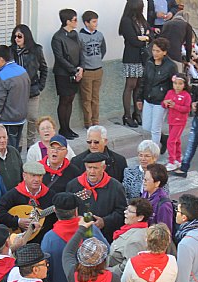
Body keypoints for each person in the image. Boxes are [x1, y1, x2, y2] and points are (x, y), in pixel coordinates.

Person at [66, 153, 128, 243]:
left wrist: (104, 222)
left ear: (103, 168)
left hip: (105, 237)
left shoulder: (116, 187)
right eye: (89, 168)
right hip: (79, 237)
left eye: (95, 168)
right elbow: (67, 210)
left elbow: (121, 212)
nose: (92, 172)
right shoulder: (73, 185)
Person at [0, 161, 56, 244]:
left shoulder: (50, 195)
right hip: (20, 242)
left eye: (40, 176)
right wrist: (17, 221)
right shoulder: (13, 194)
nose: (37, 179)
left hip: (44, 240)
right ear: (24, 176)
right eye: (33, 175)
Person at [10, 24, 48, 148]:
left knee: (32, 118)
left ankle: (31, 145)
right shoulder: (11, 51)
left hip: (32, 90)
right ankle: (18, 145)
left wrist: (40, 86)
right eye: (15, 36)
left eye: (19, 36)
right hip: (16, 92)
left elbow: (44, 68)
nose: (17, 39)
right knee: (18, 120)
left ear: (26, 36)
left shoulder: (36, 50)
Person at [136, 37, 177, 150]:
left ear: (164, 52)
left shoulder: (170, 66)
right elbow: (143, 80)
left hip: (161, 101)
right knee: (147, 126)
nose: (154, 53)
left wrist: (170, 100)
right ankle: (163, 139)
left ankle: (154, 153)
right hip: (148, 98)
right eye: (153, 50)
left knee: (155, 128)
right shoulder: (149, 62)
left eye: (158, 51)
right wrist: (139, 98)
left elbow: (174, 85)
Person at [0, 45, 30, 152]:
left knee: (9, 150)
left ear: (1, 59)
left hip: (8, 119)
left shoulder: (1, 75)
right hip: (21, 116)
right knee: (16, 146)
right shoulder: (22, 70)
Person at [51, 8, 83, 140]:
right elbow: (60, 58)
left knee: (71, 99)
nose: (76, 22)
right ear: (67, 21)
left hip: (76, 71)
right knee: (64, 100)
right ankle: (63, 128)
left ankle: (68, 127)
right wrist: (74, 70)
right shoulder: (57, 37)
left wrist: (81, 68)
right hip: (63, 74)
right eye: (75, 20)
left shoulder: (75, 34)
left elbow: (81, 51)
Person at [119, 0, 151, 128]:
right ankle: (127, 115)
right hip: (132, 57)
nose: (142, 9)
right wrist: (145, 39)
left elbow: (150, 33)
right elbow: (132, 40)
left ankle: (137, 113)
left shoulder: (141, 18)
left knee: (138, 86)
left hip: (142, 57)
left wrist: (144, 38)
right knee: (130, 85)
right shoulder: (126, 21)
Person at [108, 198, 153, 274]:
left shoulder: (136, 241)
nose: (125, 212)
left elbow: (128, 268)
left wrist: (106, 272)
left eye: (130, 211)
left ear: (140, 217)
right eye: (126, 209)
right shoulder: (128, 230)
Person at [78, 10, 106, 129]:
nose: (96, 24)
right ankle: (88, 122)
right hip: (87, 71)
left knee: (95, 97)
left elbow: (103, 49)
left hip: (98, 69)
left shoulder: (99, 35)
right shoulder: (80, 36)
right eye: (93, 22)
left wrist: (98, 60)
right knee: (86, 98)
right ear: (86, 23)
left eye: (96, 21)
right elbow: (79, 53)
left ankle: (95, 120)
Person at [162, 73, 191, 171]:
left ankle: (172, 161)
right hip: (171, 121)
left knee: (171, 141)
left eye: (180, 84)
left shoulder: (186, 96)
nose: (177, 86)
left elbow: (187, 109)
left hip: (180, 122)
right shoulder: (170, 92)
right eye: (175, 83)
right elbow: (164, 103)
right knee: (176, 140)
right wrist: (165, 103)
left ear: (184, 85)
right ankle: (178, 158)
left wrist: (175, 106)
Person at [0, 124, 23, 190]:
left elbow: (22, 174)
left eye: (4, 137)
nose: (2, 141)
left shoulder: (14, 151)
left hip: (17, 195)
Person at [143, 163, 173, 232]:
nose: (143, 182)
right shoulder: (146, 193)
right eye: (144, 179)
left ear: (157, 183)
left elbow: (165, 233)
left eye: (146, 180)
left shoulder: (164, 205)